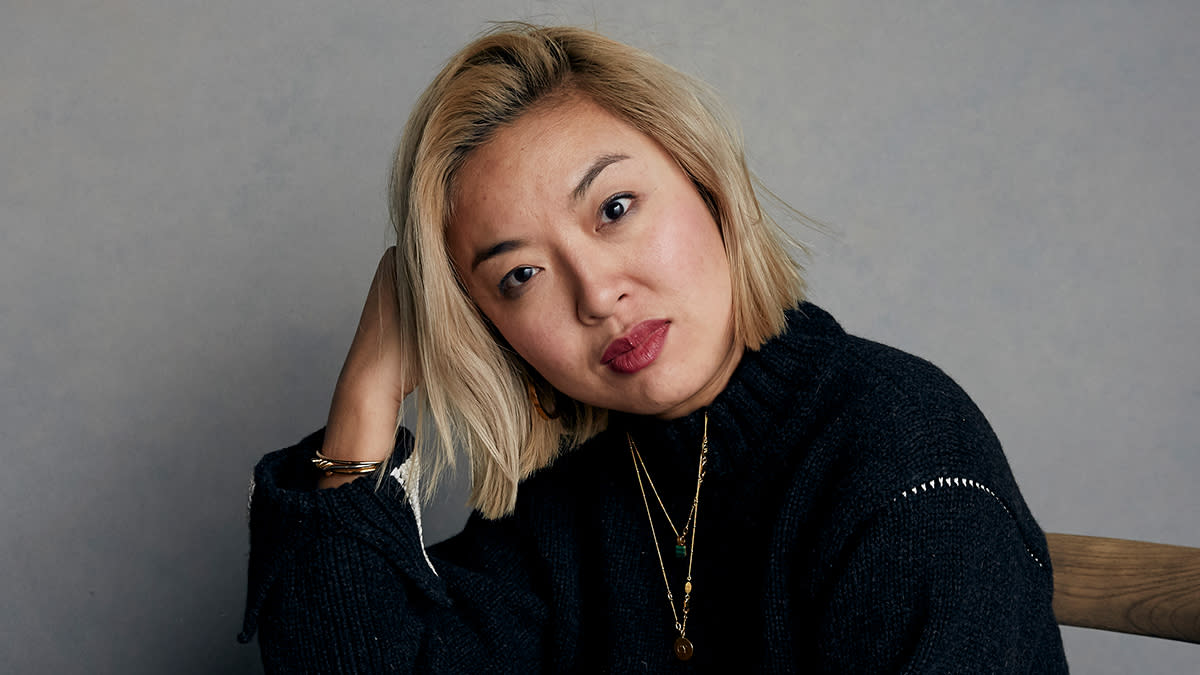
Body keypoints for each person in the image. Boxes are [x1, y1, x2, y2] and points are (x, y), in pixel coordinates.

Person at [238, 24, 1068, 672]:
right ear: (490, 327)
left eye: (614, 208)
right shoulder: (576, 498)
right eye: (520, 275)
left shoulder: (900, 452)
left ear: (705, 180)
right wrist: (367, 394)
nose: (597, 294)